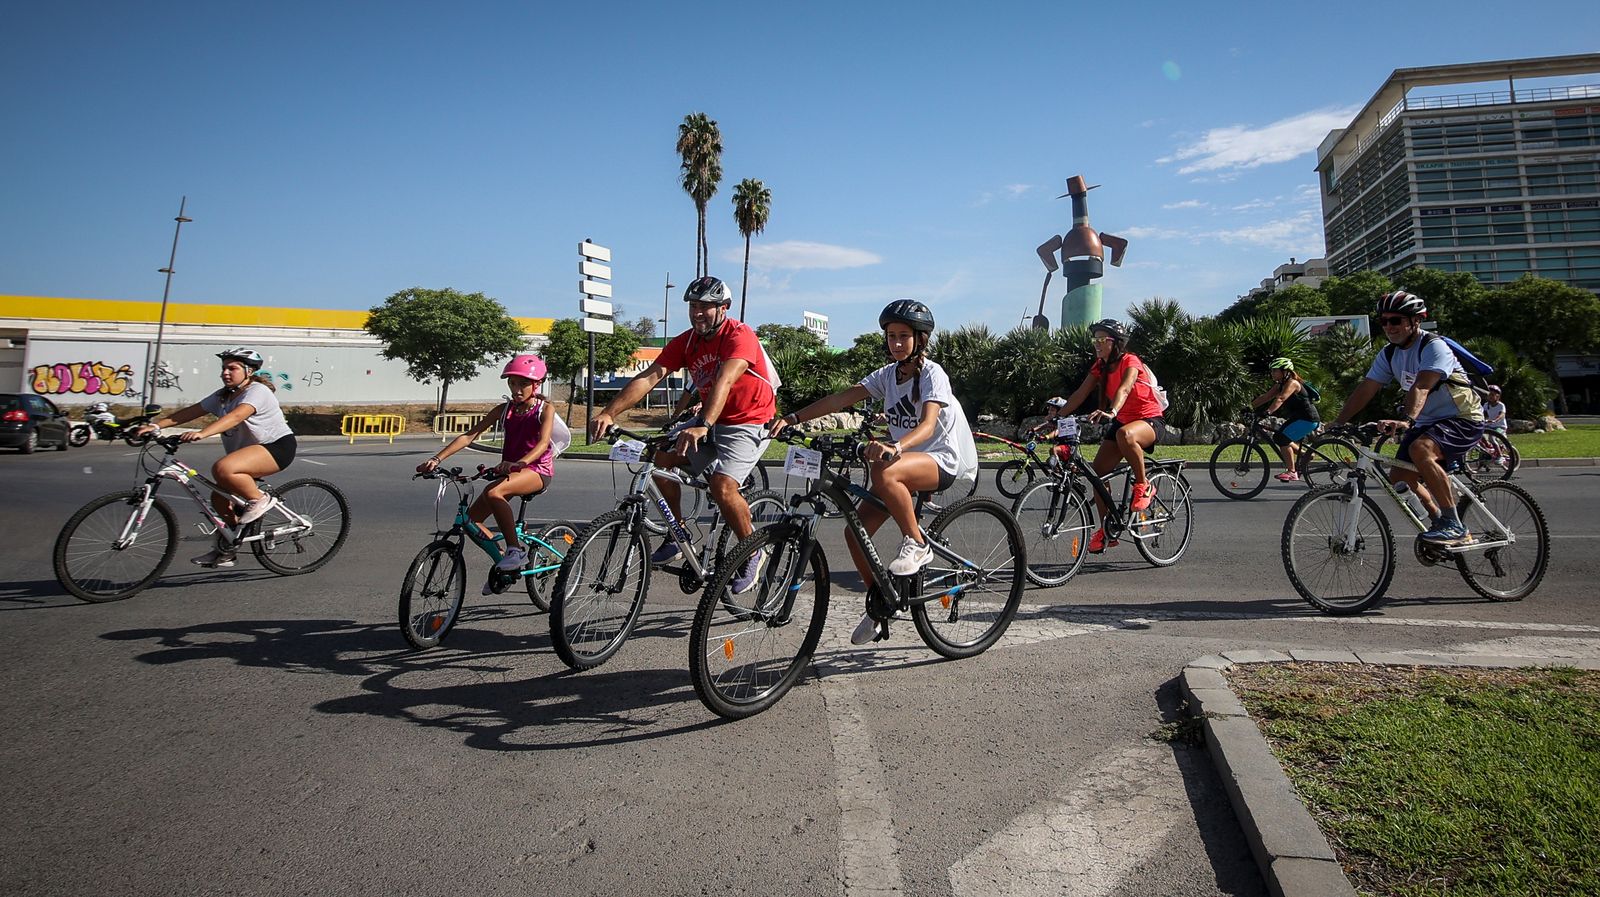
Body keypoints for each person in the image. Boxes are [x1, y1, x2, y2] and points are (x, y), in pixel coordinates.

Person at [771, 299, 978, 644]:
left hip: (938, 460)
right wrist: (792, 418)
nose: (896, 343)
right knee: (855, 534)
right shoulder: (887, 375)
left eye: (903, 336)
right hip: (902, 465)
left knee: (883, 467)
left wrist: (895, 447)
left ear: (920, 339)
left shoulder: (932, 374)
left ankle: (917, 543)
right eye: (891, 336)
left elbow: (928, 426)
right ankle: (881, 603)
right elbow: (841, 399)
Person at [589, 275, 778, 593]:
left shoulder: (739, 334)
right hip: (709, 419)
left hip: (749, 420)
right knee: (658, 458)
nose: (698, 312)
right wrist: (609, 412)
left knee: (723, 486)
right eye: (693, 306)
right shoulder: (687, 341)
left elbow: (725, 380)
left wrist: (702, 423)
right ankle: (677, 533)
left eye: (706, 306)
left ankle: (752, 549)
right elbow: (649, 377)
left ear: (724, 308)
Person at [1328, 290, 1485, 544]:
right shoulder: (1389, 354)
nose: (1389, 327)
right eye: (1384, 321)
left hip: (1463, 417)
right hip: (1427, 422)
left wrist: (1407, 420)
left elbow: (1422, 386)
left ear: (1415, 321)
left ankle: (1452, 523)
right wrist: (1339, 421)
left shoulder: (1434, 346)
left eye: (1396, 320)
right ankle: (1438, 522)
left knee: (1421, 449)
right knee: (1400, 479)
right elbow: (1367, 387)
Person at [135, 349, 297, 568]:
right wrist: (156, 426)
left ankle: (259, 499)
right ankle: (228, 546)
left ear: (248, 371)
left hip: (276, 448)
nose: (226, 373)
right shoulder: (222, 396)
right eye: (224, 368)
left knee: (223, 468)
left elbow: (237, 415)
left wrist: (203, 433)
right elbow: (190, 412)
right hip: (247, 454)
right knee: (219, 498)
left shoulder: (257, 391)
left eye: (233, 368)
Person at [417, 354, 556, 591]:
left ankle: (515, 551)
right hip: (511, 472)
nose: (516, 388)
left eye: (522, 383)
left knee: (494, 492)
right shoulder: (504, 410)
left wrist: (519, 463)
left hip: (536, 470)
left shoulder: (545, 409)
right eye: (512, 383)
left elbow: (543, 444)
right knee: (471, 521)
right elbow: (469, 435)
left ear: (536, 385)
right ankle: (504, 563)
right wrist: (436, 458)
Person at [1055, 319, 1167, 553]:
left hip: (1149, 420)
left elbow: (1124, 389)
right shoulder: (1099, 366)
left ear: (1115, 342)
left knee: (1126, 435)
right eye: (1094, 339)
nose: (1096, 344)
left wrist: (1112, 411)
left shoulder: (1131, 361)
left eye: (1101, 339)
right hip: (1123, 421)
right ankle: (1107, 529)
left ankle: (1143, 485)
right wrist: (1054, 419)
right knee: (1097, 475)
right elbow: (1079, 394)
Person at [1250, 357, 1320, 482]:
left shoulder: (1293, 383)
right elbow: (1265, 397)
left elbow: (1281, 399)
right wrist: (1249, 407)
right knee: (1278, 437)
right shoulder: (1280, 385)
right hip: (1299, 418)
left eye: (1275, 370)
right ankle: (1305, 454)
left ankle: (1292, 472)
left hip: (1308, 419)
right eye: (1272, 371)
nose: (1272, 373)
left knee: (1283, 439)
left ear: (1285, 371)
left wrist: (1268, 412)